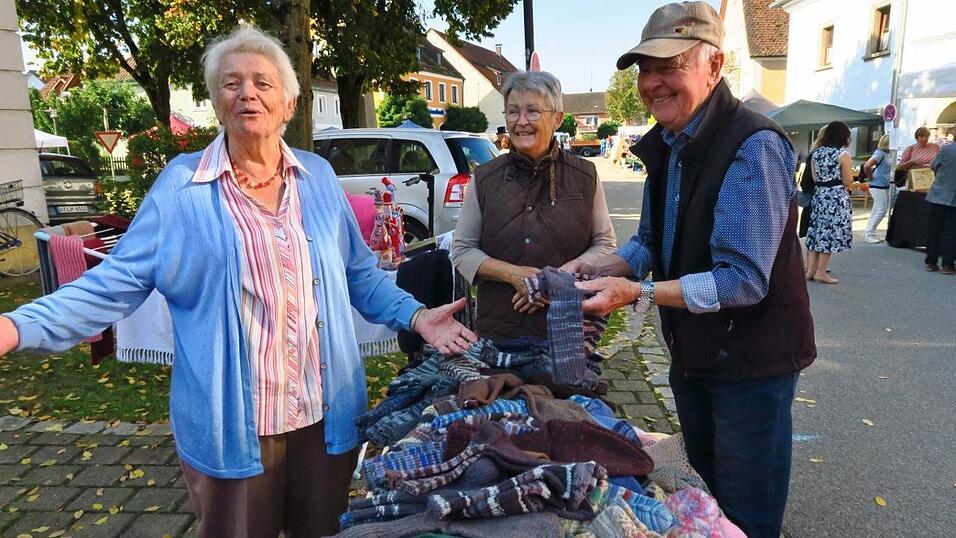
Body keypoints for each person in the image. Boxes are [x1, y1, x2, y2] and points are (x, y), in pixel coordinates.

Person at [0, 26, 476, 538]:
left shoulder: (317, 178)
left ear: (289, 104)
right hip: (235, 423)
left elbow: (359, 274)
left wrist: (416, 314)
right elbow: (109, 285)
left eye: (263, 83)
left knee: (324, 530)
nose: (247, 93)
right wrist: (13, 327)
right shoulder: (182, 190)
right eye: (232, 83)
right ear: (216, 101)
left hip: (326, 414)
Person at [565, 3, 815, 536]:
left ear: (715, 65)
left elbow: (742, 280)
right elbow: (651, 243)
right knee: (710, 496)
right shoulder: (670, 144)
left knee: (746, 511)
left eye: (668, 66)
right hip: (696, 354)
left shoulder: (752, 145)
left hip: (751, 364)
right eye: (644, 69)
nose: (651, 82)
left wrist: (636, 294)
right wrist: (588, 270)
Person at [451, 70, 616, 342]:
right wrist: (515, 275)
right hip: (500, 328)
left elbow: (605, 244)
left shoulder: (585, 176)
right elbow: (462, 250)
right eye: (513, 112)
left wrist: (553, 281)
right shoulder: (484, 178)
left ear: (558, 119)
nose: (521, 122)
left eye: (533, 111)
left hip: (568, 326)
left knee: (568, 386)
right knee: (499, 387)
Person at [805, 121, 854, 283]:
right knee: (830, 233)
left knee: (816, 231)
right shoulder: (843, 155)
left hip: (819, 195)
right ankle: (821, 271)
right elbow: (847, 180)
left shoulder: (816, 153)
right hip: (836, 197)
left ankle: (810, 270)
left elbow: (814, 177)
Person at [925, 141, 956, 273]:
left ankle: (931, 262)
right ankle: (948, 264)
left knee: (935, 229)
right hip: (953, 197)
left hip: (938, 193)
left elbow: (933, 165)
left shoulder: (946, 149)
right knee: (951, 231)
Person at [863, 134, 892, 243]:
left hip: (883, 184)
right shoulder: (880, 153)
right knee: (881, 210)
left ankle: (870, 233)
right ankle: (869, 234)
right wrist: (871, 177)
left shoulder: (887, 153)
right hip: (877, 184)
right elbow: (867, 165)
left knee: (876, 210)